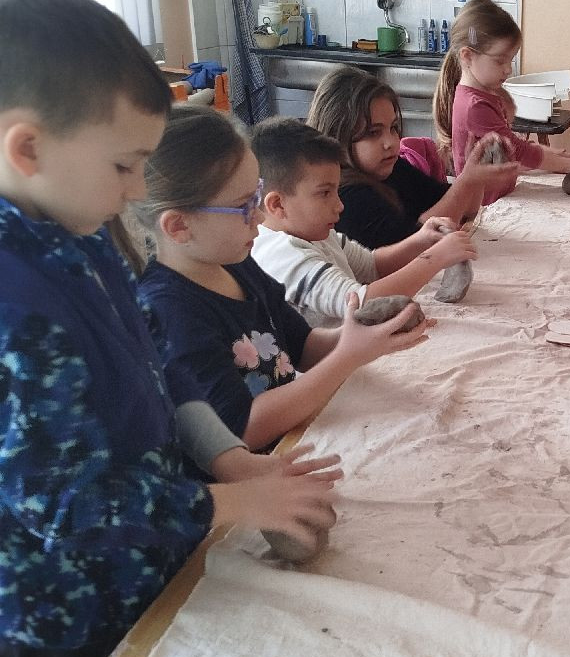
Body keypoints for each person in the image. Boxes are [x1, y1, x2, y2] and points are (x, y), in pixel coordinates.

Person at [0, 0, 337, 657]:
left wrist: (231, 462)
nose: (135, 193)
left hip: (143, 555)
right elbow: (65, 507)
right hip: (64, 599)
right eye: (125, 167)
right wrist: (228, 505)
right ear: (28, 149)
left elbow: (161, 374)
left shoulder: (84, 231)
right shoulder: (15, 302)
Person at [137, 108, 427, 448]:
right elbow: (241, 429)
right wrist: (347, 356)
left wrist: (360, 337)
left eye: (256, 196)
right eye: (244, 206)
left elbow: (302, 346)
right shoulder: (168, 312)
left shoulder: (237, 264)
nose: (260, 217)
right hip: (261, 467)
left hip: (296, 437)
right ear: (179, 226)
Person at [248, 117, 475, 324]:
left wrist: (422, 240)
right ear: (277, 204)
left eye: (336, 190)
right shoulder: (282, 255)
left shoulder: (317, 234)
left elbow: (373, 266)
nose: (339, 205)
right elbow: (363, 305)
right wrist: (434, 259)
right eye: (325, 193)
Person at [308, 67, 519, 250]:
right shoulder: (345, 196)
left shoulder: (394, 169)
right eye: (373, 133)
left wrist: (476, 174)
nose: (390, 142)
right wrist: (466, 182)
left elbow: (463, 212)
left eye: (393, 128)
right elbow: (415, 245)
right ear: (337, 136)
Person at [433, 0, 570, 204]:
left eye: (511, 60)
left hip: (497, 194)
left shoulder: (486, 93)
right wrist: (564, 165)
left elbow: (509, 150)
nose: (508, 69)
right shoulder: (474, 106)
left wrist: (557, 157)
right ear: (468, 56)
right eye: (500, 61)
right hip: (481, 205)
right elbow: (516, 149)